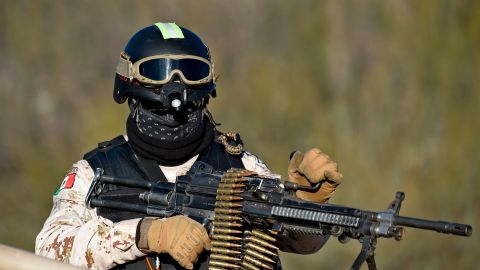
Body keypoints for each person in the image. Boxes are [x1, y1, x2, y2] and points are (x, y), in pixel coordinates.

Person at [35, 22, 343, 270]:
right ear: (130, 86)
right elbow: (49, 249)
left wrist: (306, 202)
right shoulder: (94, 172)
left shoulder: (241, 166)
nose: (177, 87)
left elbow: (303, 243)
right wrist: (145, 234)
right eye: (159, 74)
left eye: (190, 73)